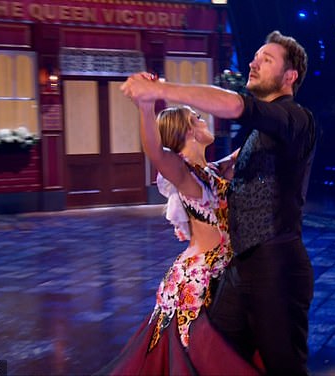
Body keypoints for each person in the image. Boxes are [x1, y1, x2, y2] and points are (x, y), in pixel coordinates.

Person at [121, 30, 318, 374]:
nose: (254, 62)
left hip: (275, 266)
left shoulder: (295, 119)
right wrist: (146, 107)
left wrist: (159, 90)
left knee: (281, 365)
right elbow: (167, 155)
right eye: (254, 56)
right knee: (212, 353)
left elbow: (235, 105)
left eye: (266, 59)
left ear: (290, 76)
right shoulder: (255, 138)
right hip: (237, 268)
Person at [97, 98, 260, 375]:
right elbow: (156, 152)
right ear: (188, 131)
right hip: (199, 278)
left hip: (220, 271)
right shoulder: (186, 176)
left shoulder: (210, 172)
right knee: (200, 354)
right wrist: (146, 108)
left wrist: (270, 115)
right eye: (197, 118)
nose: (204, 120)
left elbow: (244, 152)